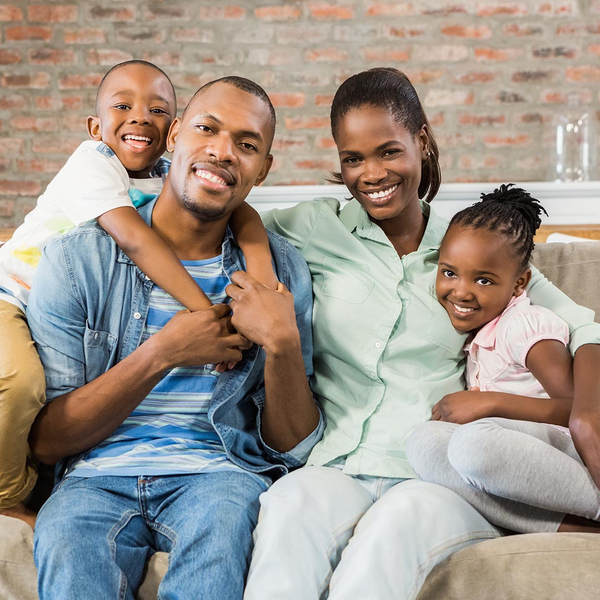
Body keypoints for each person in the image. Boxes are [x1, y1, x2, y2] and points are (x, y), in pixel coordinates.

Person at [244, 68, 600, 600]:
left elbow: (581, 324)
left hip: (432, 475)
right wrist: (256, 266)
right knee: (288, 508)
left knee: (393, 531)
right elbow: (234, 217)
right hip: (336, 463)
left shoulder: (469, 247)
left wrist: (585, 412)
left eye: (389, 151)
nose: (372, 173)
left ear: (421, 141)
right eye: (353, 159)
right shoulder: (315, 227)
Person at [27, 76, 324, 599]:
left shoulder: (280, 271)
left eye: (247, 144)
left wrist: (282, 343)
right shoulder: (77, 260)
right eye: (207, 129)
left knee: (223, 533)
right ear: (174, 136)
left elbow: (290, 446)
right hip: (93, 480)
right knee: (68, 547)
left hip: (220, 476)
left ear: (263, 168)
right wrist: (163, 353)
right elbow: (50, 441)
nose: (222, 151)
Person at [0, 60, 276, 528]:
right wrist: (207, 316)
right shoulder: (93, 163)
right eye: (122, 105)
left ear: (173, 129)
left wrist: (264, 274)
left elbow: (241, 211)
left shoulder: (169, 170)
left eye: (157, 108)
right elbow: (135, 239)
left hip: (51, 306)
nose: (140, 116)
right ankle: (9, 495)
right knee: (18, 382)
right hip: (11, 294)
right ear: (95, 126)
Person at [406, 184, 600, 534]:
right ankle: (569, 528)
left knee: (473, 443)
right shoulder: (480, 336)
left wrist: (489, 404)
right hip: (520, 460)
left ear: (518, 284)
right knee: (423, 443)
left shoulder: (524, 326)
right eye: (449, 273)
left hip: (565, 455)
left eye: (483, 280)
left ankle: (595, 507)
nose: (461, 291)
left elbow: (575, 407)